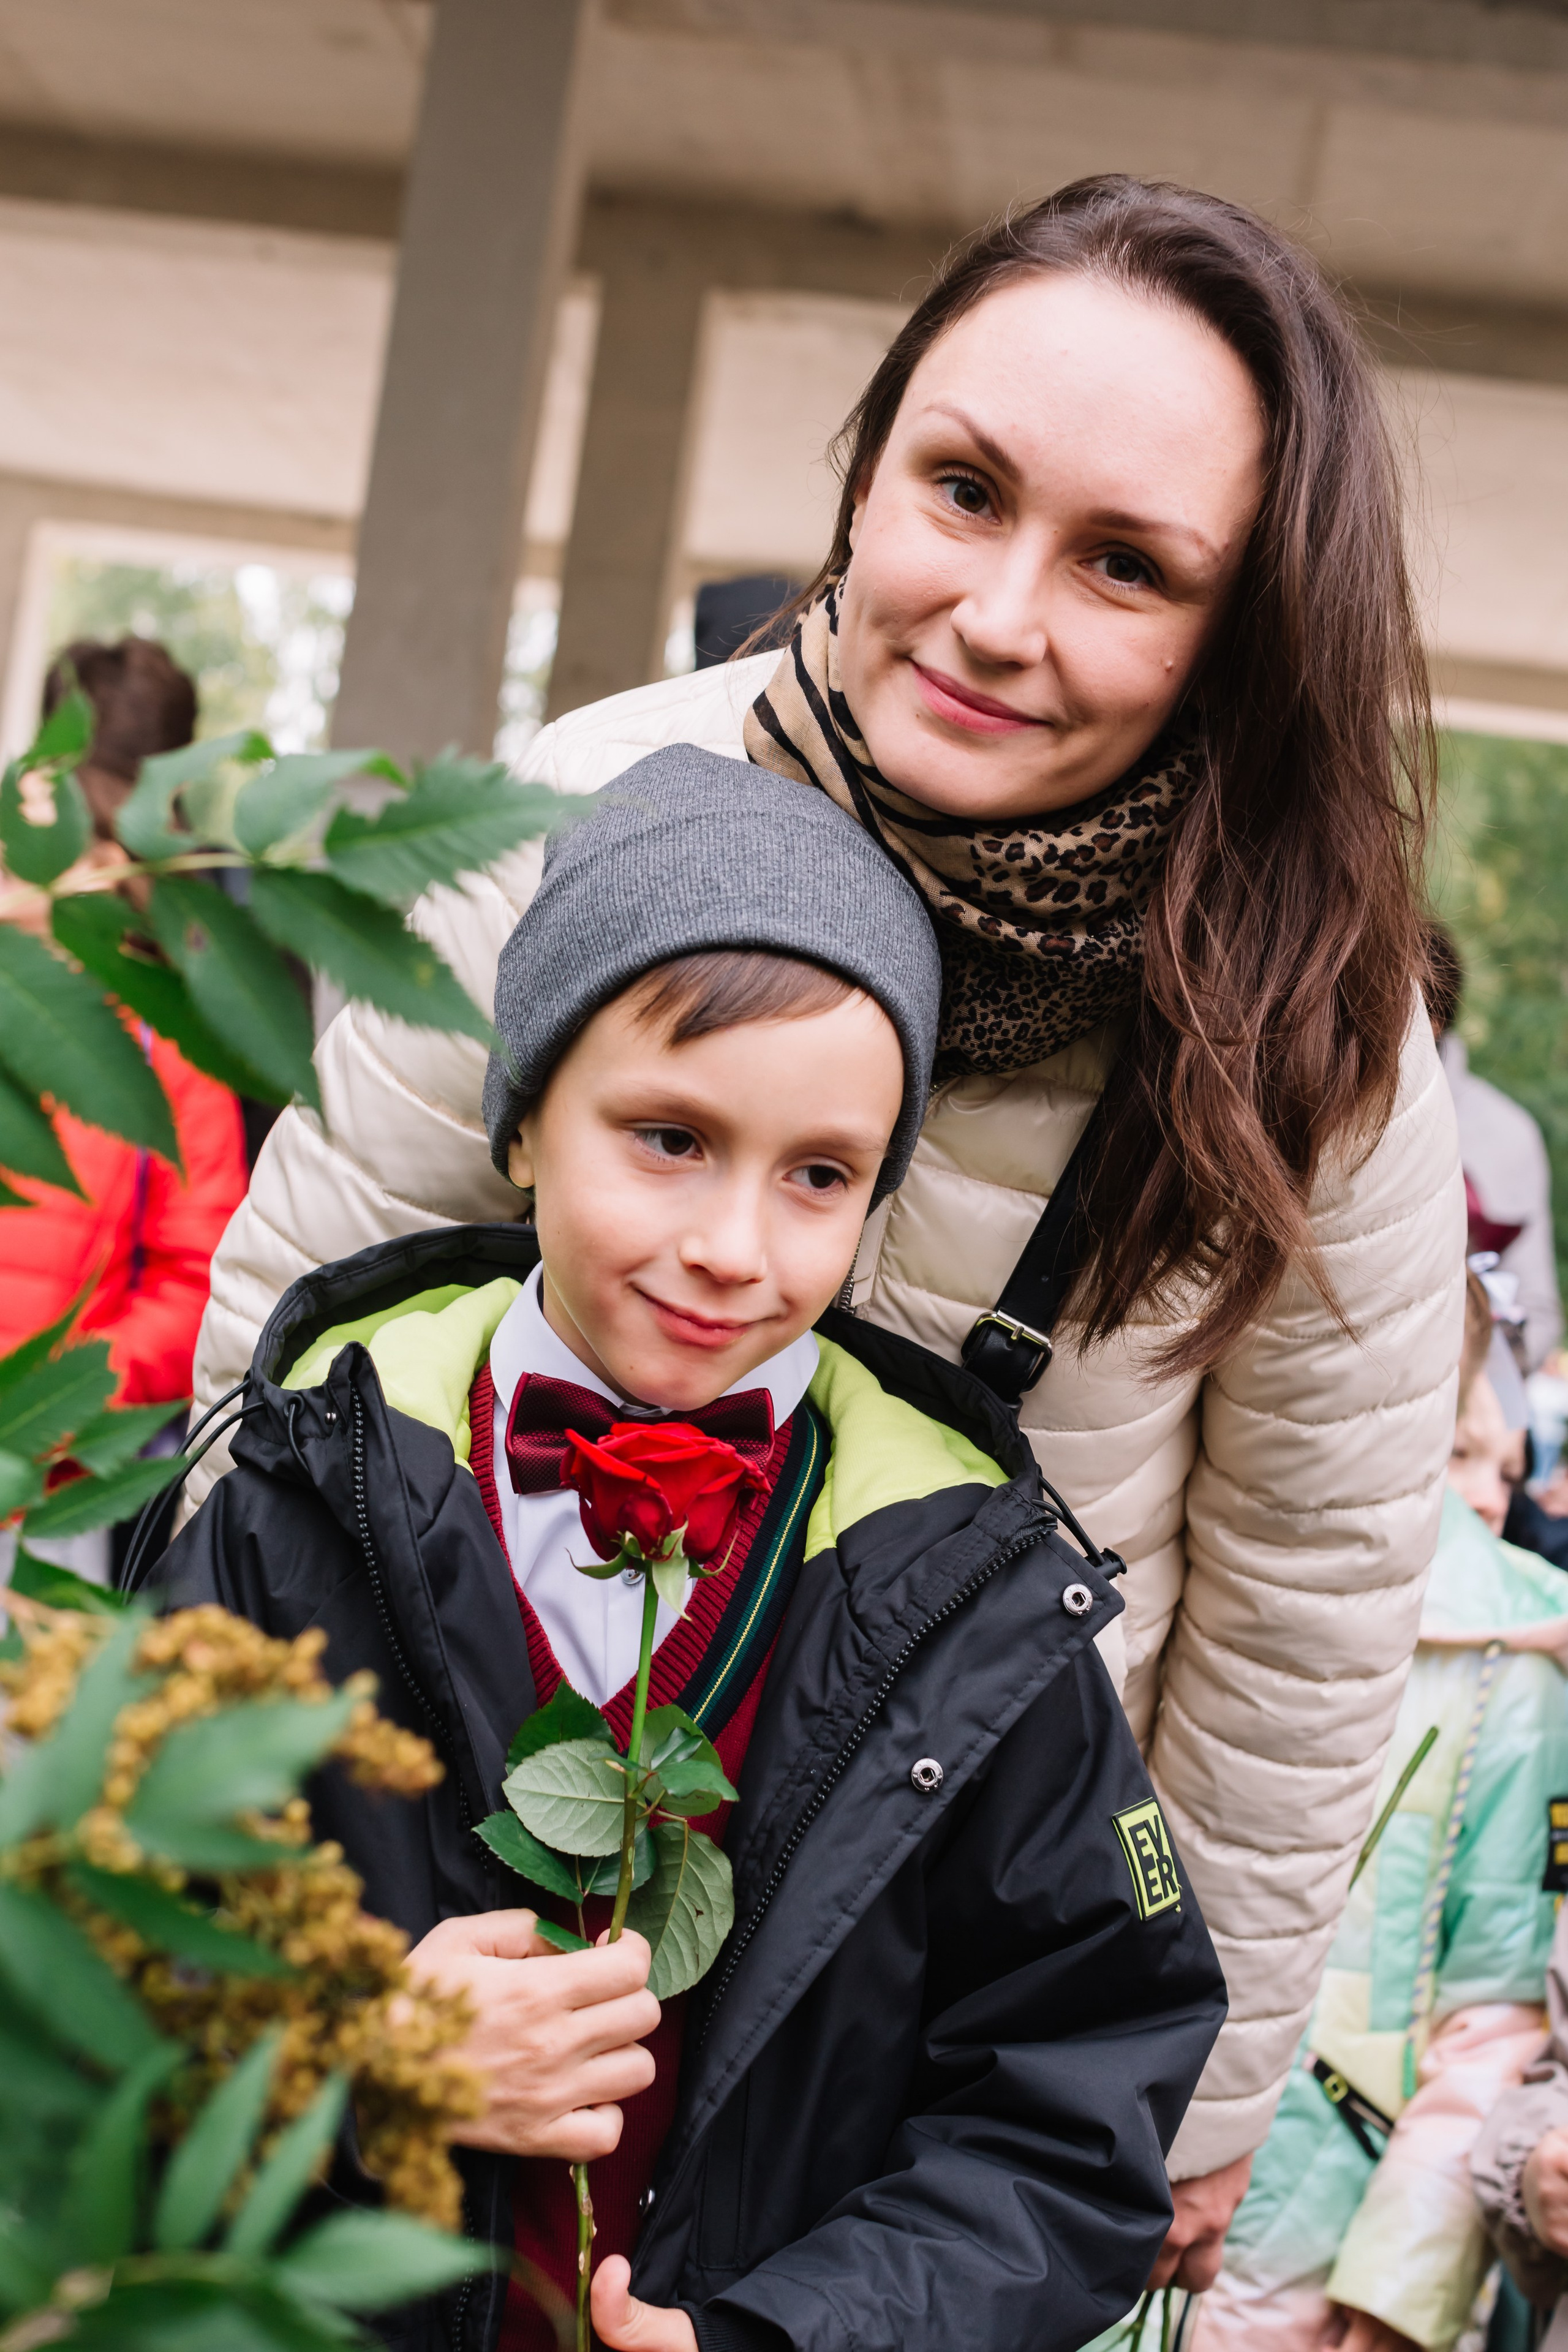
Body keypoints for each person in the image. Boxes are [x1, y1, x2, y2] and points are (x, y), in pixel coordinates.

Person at [185, 175, 1465, 2278]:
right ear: (865, 474)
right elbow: (278, 1385)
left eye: (1127, 565)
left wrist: (1193, 2092)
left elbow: (1304, 1606)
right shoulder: (578, 824)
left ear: (1241, 628)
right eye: (962, 490)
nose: (996, 614)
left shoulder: (1310, 1024)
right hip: (464, 1930)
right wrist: (306, 1969)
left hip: (929, 2015)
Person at [153, 752, 1227, 2352]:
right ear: (526, 1122)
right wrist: (345, 2070)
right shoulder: (293, 1506)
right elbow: (111, 1974)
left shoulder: (973, 1595)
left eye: (819, 1178)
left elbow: (1069, 2109)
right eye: (668, 1138)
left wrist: (802, 2333)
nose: (732, 1248)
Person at [1190, 1273, 1568, 2351]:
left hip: (1312, 2245)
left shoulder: (1508, 1655)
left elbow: (1499, 2015)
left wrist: (1398, 2302)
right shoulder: (1165, 1556)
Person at [0, 638, 247, 1572]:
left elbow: (194, 1281)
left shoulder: (167, 1048)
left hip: (40, 1499)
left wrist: (56, 1406)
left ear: (108, 857)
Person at [1427, 924, 1562, 1376]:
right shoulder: (1311, 1116)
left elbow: (1536, 1310)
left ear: (1434, 1018)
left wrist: (1475, 1392)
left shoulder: (1506, 1132)